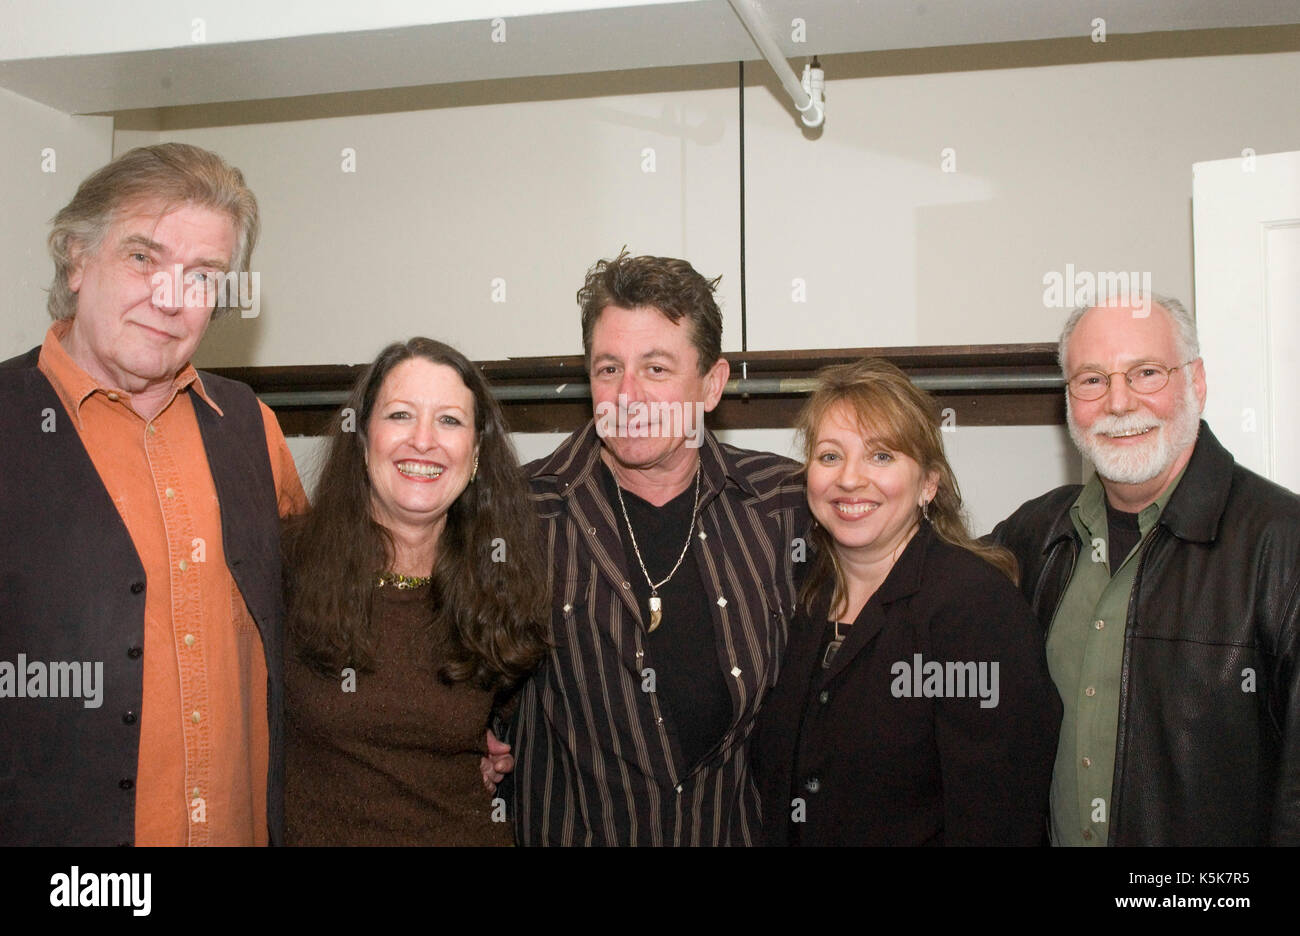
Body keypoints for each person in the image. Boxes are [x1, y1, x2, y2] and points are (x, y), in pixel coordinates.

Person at [0, 143, 306, 845]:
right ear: (76, 258)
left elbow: (322, 621)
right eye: (143, 258)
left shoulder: (251, 429)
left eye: (202, 275)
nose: (170, 299)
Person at [499, 251, 809, 846]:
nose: (628, 396)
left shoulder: (783, 506)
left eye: (657, 369)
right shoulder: (522, 512)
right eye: (608, 369)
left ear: (712, 384)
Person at [990, 292, 1300, 845]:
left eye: (1146, 373)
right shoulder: (1034, 536)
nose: (1118, 402)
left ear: (1196, 383)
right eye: (1091, 380)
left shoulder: (1282, 544)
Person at [752, 358, 1060, 845]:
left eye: (881, 456)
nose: (850, 479)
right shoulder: (794, 595)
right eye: (830, 456)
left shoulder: (975, 610)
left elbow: (999, 820)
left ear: (929, 484)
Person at [282, 337, 549, 846]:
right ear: (362, 441)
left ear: (475, 453)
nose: (423, 441)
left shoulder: (503, 583)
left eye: (449, 420)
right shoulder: (284, 567)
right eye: (400, 415)